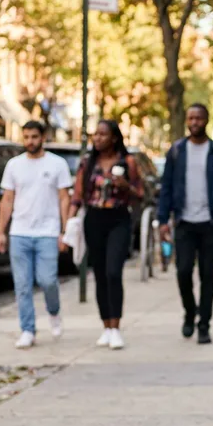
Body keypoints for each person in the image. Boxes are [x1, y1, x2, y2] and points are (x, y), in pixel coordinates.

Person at [157, 104, 213, 344]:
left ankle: (204, 324)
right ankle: (190, 312)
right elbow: (167, 188)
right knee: (182, 271)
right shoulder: (176, 151)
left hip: (209, 222)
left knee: (207, 274)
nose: (194, 122)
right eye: (190, 118)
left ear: (206, 120)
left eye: (198, 118)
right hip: (183, 221)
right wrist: (163, 220)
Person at [0, 120, 72, 348]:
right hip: (20, 232)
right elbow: (7, 200)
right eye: (26, 137)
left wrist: (63, 231)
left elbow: (64, 198)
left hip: (47, 232)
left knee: (47, 281)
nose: (30, 141)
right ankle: (27, 329)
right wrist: (1, 232)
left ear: (43, 137)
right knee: (22, 285)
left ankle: (54, 312)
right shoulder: (14, 165)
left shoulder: (57, 164)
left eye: (34, 137)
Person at [68, 120, 143, 349]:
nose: (98, 138)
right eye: (96, 134)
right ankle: (105, 327)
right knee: (99, 273)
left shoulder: (127, 162)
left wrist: (125, 186)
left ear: (114, 138)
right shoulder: (87, 163)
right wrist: (68, 225)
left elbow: (140, 193)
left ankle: (116, 327)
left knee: (113, 272)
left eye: (103, 134)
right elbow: (78, 195)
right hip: (94, 219)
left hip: (118, 219)